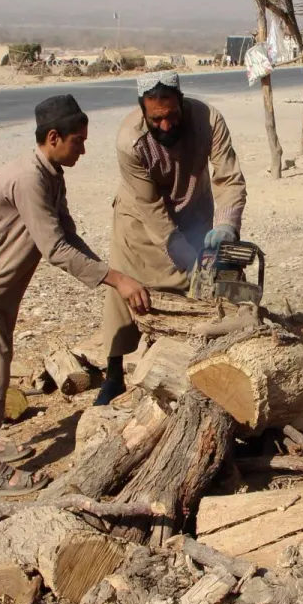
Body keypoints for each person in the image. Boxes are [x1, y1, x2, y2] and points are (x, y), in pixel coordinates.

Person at [0, 94, 150, 491]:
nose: (84, 150)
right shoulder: (28, 178)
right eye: (78, 141)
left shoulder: (50, 175)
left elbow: (67, 234)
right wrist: (117, 281)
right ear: (53, 137)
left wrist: (115, 273)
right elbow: (55, 249)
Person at [93, 71, 247, 404]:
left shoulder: (208, 120)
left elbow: (229, 179)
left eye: (172, 116)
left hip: (195, 209)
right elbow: (151, 209)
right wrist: (187, 257)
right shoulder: (129, 141)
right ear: (143, 112)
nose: (165, 125)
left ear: (181, 102)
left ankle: (205, 357)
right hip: (140, 222)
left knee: (210, 284)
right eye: (156, 119)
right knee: (126, 294)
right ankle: (114, 373)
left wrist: (226, 226)